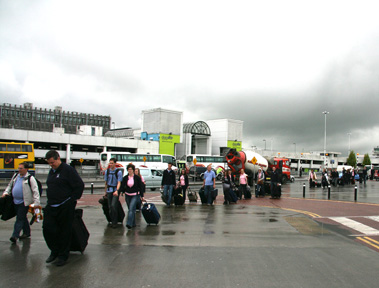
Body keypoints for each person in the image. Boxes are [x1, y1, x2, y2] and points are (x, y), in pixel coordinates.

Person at [43, 150, 84, 267]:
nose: (51, 165)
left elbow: (79, 185)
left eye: (52, 162)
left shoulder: (68, 170)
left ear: (58, 158)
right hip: (52, 205)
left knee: (64, 232)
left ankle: (62, 255)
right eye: (49, 163)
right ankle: (54, 250)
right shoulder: (52, 171)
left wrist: (72, 201)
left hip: (65, 206)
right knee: (48, 228)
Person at [2, 162, 40, 243]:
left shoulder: (30, 178)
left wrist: (36, 203)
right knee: (22, 217)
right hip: (15, 201)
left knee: (19, 218)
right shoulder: (16, 176)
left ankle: (15, 236)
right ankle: (27, 232)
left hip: (24, 202)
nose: (19, 170)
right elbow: (10, 185)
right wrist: (5, 193)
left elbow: (35, 191)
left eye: (21, 168)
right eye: (19, 168)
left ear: (26, 169)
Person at [119, 164, 144, 229]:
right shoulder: (125, 178)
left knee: (131, 209)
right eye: (128, 169)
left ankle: (129, 223)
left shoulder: (137, 178)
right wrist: (120, 192)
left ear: (133, 170)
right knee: (132, 210)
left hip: (135, 195)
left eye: (131, 169)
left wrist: (142, 196)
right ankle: (133, 223)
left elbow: (141, 187)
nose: (129, 171)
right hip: (128, 195)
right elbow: (122, 186)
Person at [104, 158, 123, 228]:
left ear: (115, 163)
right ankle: (112, 221)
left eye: (112, 163)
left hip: (115, 191)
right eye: (110, 163)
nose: (110, 164)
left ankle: (115, 222)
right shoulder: (107, 171)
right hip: (109, 190)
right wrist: (105, 192)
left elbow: (119, 182)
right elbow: (106, 183)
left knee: (113, 206)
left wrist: (117, 191)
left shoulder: (118, 172)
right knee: (110, 207)